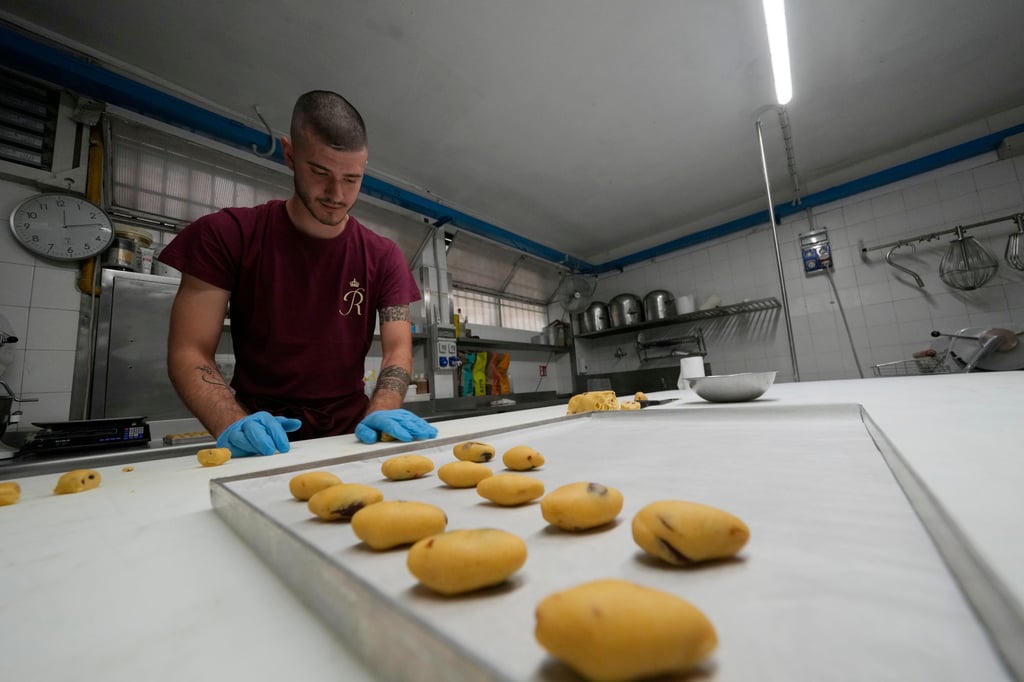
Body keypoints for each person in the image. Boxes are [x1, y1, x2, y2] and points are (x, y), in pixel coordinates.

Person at [157, 90, 437, 456]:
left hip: (349, 437)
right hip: (257, 432)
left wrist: (382, 408)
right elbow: (189, 349)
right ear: (290, 154)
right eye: (320, 172)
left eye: (351, 179)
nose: (336, 193)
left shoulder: (383, 256)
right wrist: (230, 421)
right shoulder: (229, 235)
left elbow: (398, 348)